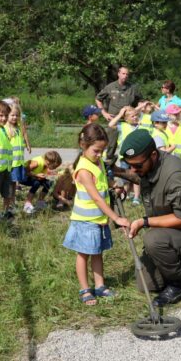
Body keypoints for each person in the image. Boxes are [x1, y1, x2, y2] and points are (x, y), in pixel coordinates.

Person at [118, 130, 181, 306]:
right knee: (146, 284)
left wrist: (144, 222)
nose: (133, 169)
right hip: (169, 229)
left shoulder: (175, 175)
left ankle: (177, 285)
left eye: (137, 165)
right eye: (128, 164)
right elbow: (139, 176)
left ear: (153, 155)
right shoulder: (149, 164)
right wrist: (118, 172)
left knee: (153, 240)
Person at [63, 124, 130, 305]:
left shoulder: (96, 161)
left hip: (99, 220)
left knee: (98, 252)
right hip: (85, 220)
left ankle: (100, 286)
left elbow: (102, 180)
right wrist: (116, 218)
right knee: (84, 254)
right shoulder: (84, 169)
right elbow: (97, 199)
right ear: (83, 144)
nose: (100, 154)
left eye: (102, 151)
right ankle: (85, 289)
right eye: (96, 150)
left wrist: (112, 184)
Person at [95, 66, 144, 163]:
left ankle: (128, 164)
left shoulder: (132, 88)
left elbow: (141, 101)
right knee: (111, 145)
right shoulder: (110, 87)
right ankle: (108, 165)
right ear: (118, 74)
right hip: (114, 121)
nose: (125, 76)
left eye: (127, 74)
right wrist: (104, 112)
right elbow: (98, 99)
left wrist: (136, 112)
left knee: (129, 145)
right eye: (123, 73)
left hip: (128, 122)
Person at [6, 103, 29, 190]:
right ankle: (8, 202)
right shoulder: (6, 129)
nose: (15, 117)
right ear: (7, 115)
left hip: (19, 162)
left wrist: (27, 144)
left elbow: (24, 131)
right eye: (12, 115)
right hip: (11, 163)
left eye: (17, 115)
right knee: (10, 184)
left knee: (14, 184)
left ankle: (12, 201)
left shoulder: (18, 129)